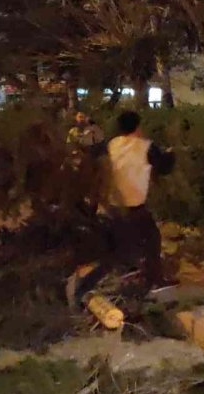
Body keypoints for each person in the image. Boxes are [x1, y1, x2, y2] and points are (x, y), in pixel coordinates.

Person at [67, 110, 177, 306]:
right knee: (138, 245)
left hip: (113, 205)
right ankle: (85, 286)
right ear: (137, 126)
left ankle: (149, 277)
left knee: (131, 246)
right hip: (132, 206)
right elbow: (164, 167)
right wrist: (171, 154)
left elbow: (93, 159)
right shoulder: (145, 147)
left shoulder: (112, 144)